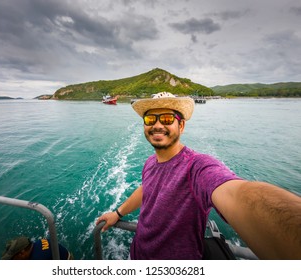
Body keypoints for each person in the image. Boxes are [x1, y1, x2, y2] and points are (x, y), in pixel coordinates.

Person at [96, 91, 301, 260]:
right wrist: (118, 213)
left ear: (181, 126)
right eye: (151, 118)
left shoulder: (197, 167)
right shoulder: (150, 162)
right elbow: (146, 189)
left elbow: (236, 195)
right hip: (138, 255)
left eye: (167, 118)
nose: (157, 125)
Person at [1, 236, 74, 260]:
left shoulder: (37, 259)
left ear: (22, 253)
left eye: (13, 258)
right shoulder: (37, 243)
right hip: (66, 254)